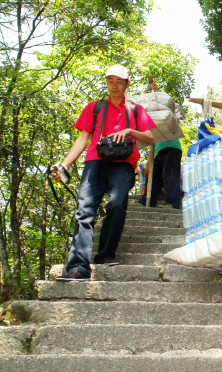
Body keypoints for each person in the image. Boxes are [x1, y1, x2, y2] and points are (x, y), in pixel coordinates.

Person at [52, 64, 156, 281]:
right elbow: (82, 138)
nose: (114, 86)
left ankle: (106, 254)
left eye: (119, 81)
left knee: (117, 205)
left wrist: (129, 131)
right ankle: (78, 267)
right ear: (106, 82)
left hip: (124, 162)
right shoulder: (95, 107)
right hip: (95, 161)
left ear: (127, 84)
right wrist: (64, 165)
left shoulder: (136, 110)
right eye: (110, 81)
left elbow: (149, 137)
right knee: (85, 210)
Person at [137, 138, 183, 209]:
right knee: (153, 178)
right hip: (157, 152)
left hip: (171, 147)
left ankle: (172, 203)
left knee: (170, 176)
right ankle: (146, 202)